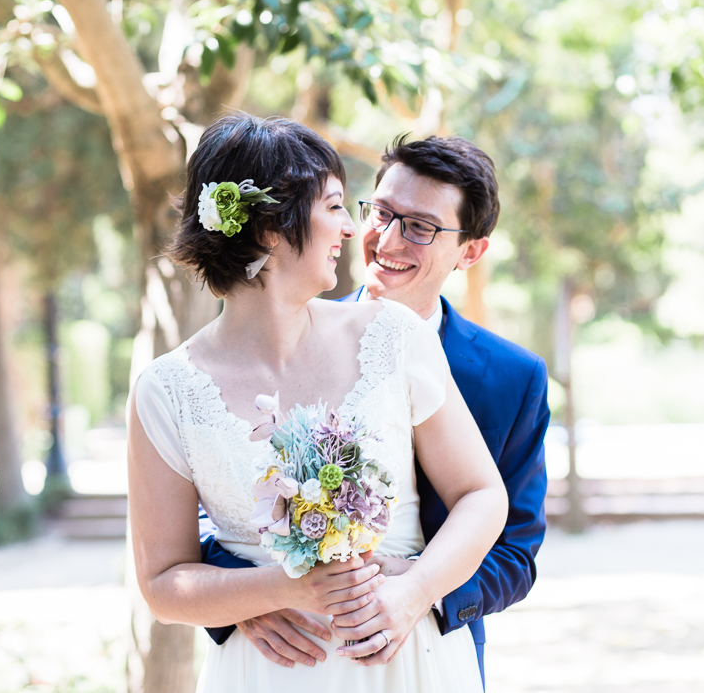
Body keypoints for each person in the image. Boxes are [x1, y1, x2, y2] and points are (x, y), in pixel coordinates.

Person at [127, 114, 509, 691]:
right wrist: (282, 588)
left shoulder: (394, 335)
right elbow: (161, 584)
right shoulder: (166, 390)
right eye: (333, 206)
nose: (352, 230)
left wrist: (416, 590)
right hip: (267, 674)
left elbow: (482, 495)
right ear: (270, 229)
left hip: (405, 662)